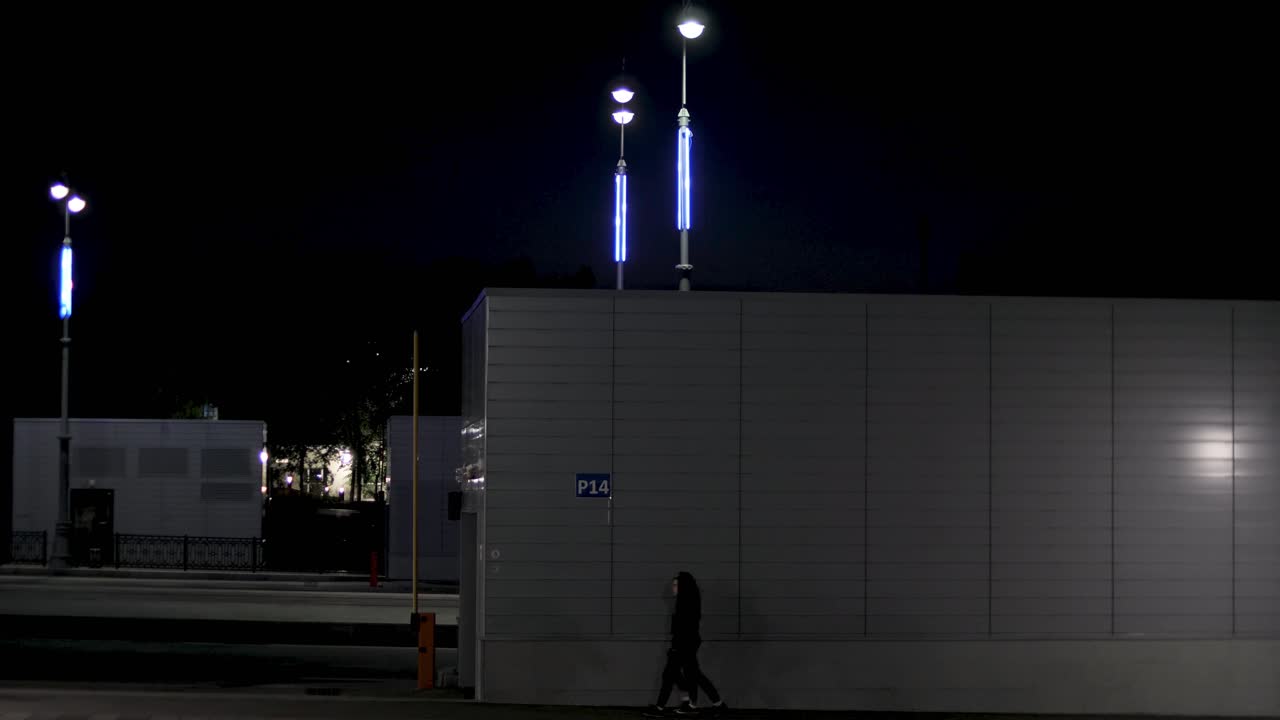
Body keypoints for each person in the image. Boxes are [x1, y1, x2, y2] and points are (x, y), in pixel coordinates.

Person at [647, 571, 727, 716]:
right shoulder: (688, 600)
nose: (673, 588)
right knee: (692, 674)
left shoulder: (686, 603)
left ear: (684, 587)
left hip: (684, 644)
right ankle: (705, 703)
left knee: (670, 675)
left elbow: (684, 628)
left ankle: (660, 708)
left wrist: (676, 647)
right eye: (673, 585)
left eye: (676, 585)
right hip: (687, 643)